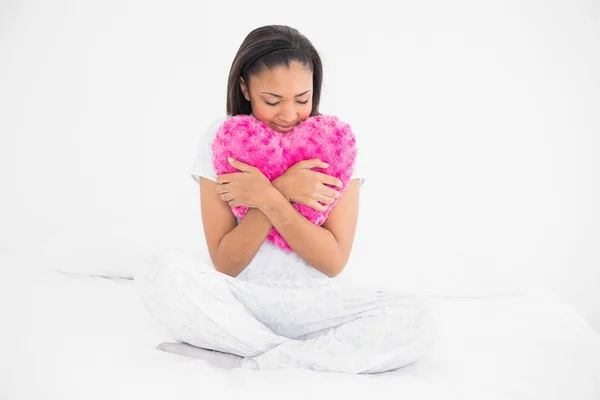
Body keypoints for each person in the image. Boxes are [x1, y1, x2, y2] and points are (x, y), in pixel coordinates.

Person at [135, 24, 435, 374]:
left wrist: (271, 197)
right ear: (245, 88)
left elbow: (333, 261)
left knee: (418, 318)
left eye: (302, 100)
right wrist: (280, 189)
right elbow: (225, 263)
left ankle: (258, 352)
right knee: (156, 271)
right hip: (240, 299)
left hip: (317, 305)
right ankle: (290, 353)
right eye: (272, 101)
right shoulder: (224, 141)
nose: (289, 114)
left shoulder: (335, 145)